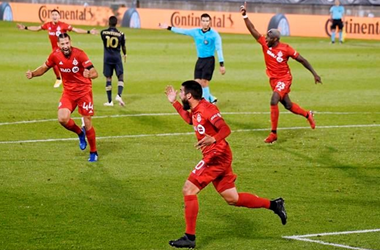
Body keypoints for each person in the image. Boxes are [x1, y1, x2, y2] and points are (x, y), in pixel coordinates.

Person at [165, 80, 287, 248]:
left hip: (216, 156)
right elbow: (190, 121)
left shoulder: (208, 109)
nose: (179, 94)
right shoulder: (195, 109)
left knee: (189, 189)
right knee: (232, 198)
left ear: (189, 95)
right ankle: (274, 204)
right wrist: (174, 103)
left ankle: (189, 237)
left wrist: (213, 138)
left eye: (180, 92)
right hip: (218, 155)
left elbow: (225, 129)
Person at [240, 2, 322, 144]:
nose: (265, 38)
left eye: (269, 37)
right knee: (288, 105)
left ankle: (273, 134)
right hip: (273, 79)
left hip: (284, 78)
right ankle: (307, 114)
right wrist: (245, 16)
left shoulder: (286, 49)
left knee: (274, 100)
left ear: (276, 39)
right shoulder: (265, 44)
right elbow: (252, 29)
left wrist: (314, 73)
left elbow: (302, 60)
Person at [25, 33, 99, 162]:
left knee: (87, 122)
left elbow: (95, 72)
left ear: (70, 42)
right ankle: (80, 134)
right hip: (69, 93)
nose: (65, 46)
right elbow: (44, 68)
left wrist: (89, 74)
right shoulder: (55, 55)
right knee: (62, 119)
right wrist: (33, 74)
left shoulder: (80, 54)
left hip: (84, 92)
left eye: (67, 43)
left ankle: (93, 152)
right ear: (58, 45)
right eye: (63, 44)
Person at [17, 9, 97, 88]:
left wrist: (89, 31)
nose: (54, 16)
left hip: (64, 51)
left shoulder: (63, 25)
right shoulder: (48, 25)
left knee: (65, 65)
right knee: (52, 64)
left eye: (56, 15)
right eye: (53, 15)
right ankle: (59, 78)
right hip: (55, 51)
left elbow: (75, 30)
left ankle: (64, 79)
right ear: (51, 16)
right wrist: (25, 27)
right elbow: (37, 28)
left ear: (59, 16)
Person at [160, 13, 226, 104]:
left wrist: (221, 64)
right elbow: (183, 31)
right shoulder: (196, 32)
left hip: (209, 60)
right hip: (200, 60)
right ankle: (211, 98)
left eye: (207, 21)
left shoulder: (214, 35)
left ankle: (206, 104)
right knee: (197, 84)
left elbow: (219, 49)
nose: (205, 23)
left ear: (210, 22)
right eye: (203, 21)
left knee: (204, 83)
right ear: (201, 22)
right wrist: (169, 27)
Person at [100, 16, 127, 107]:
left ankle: (110, 101)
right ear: (116, 23)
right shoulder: (121, 34)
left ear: (109, 22)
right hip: (117, 58)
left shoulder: (103, 32)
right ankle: (119, 95)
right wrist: (125, 54)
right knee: (120, 76)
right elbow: (123, 46)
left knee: (108, 78)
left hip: (107, 58)